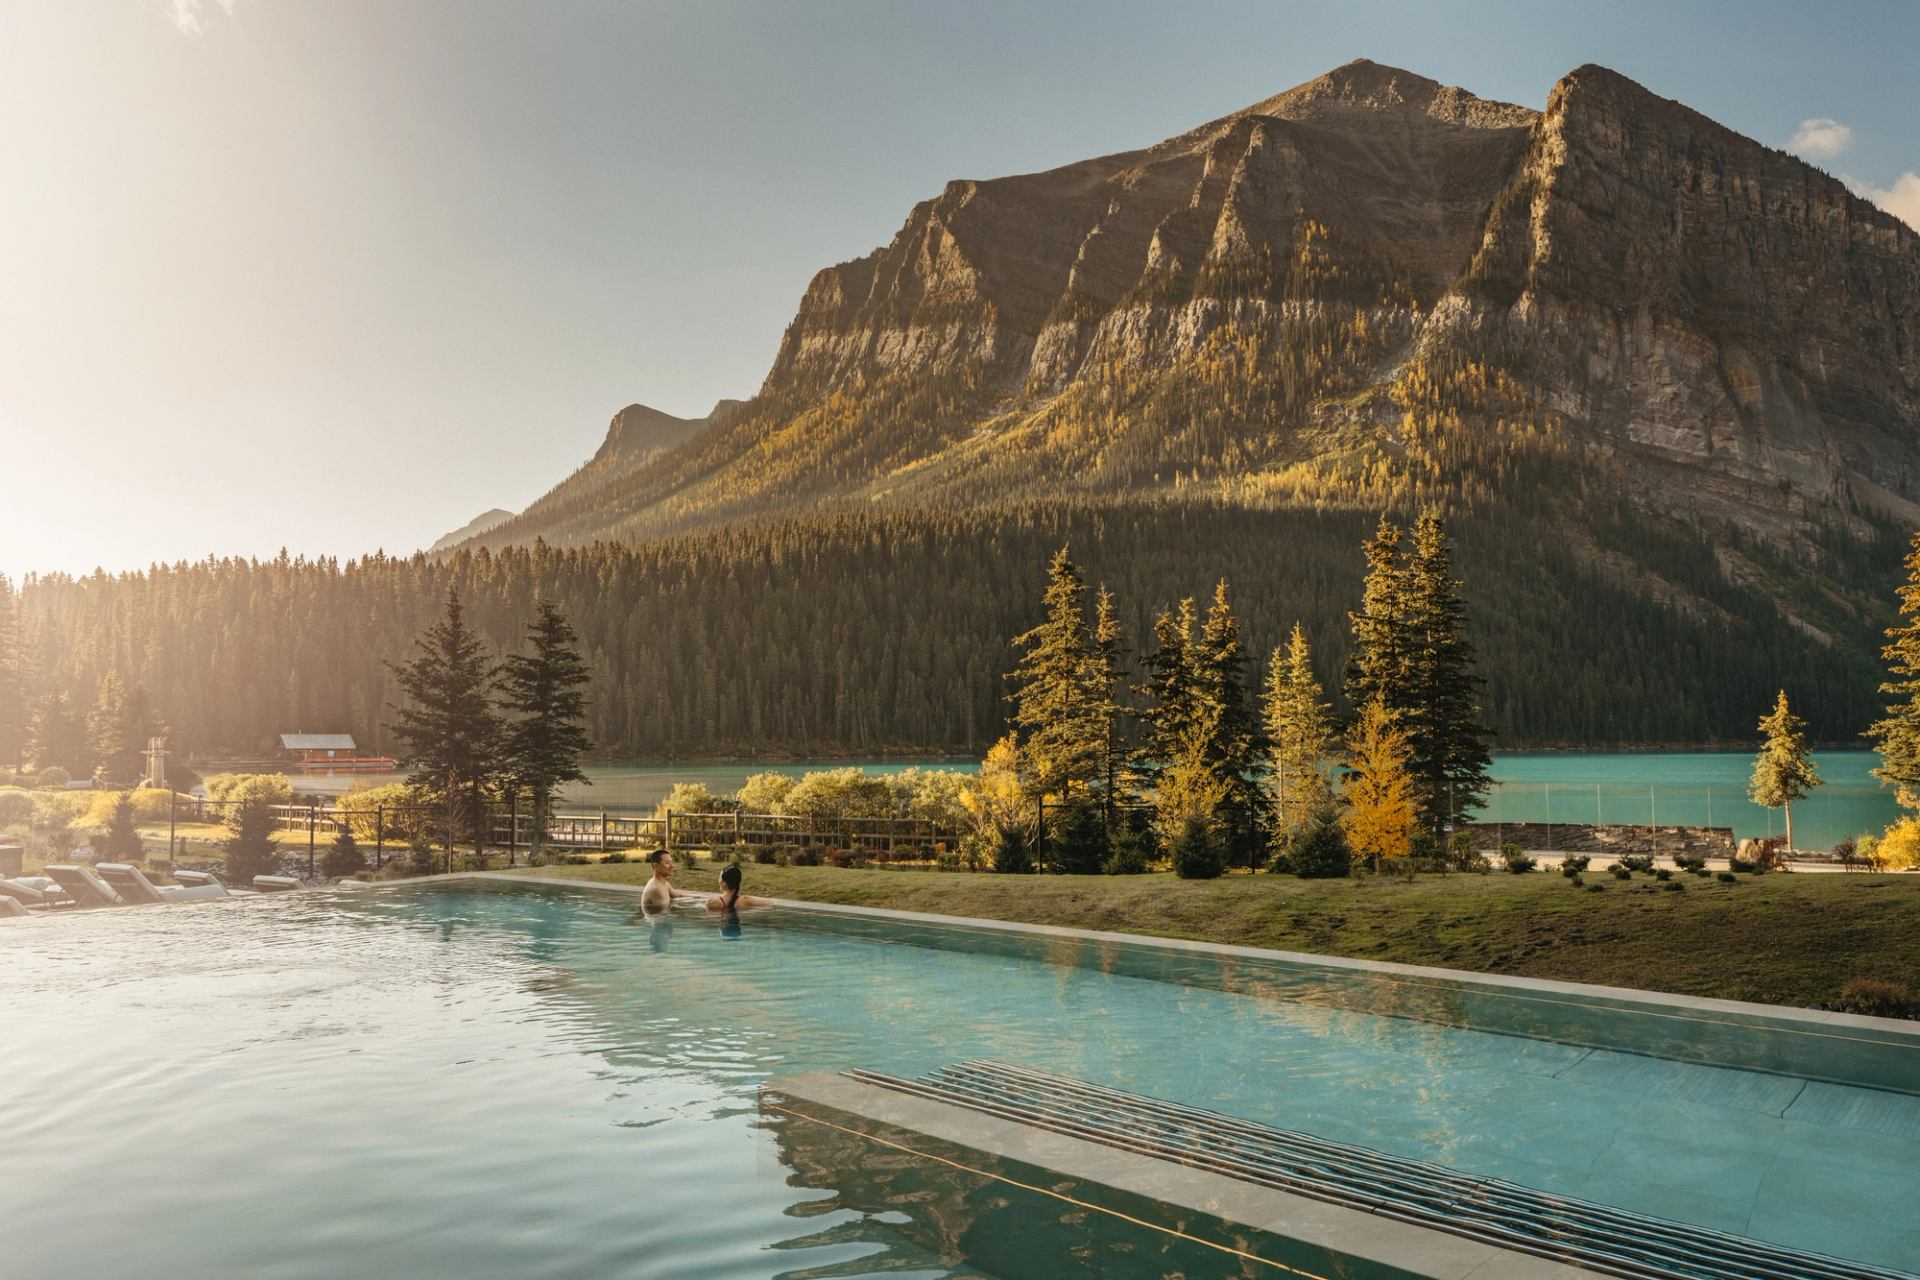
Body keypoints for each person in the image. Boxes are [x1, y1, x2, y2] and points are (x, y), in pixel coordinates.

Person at [640, 849, 705, 912]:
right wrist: (699, 907)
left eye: (671, 862)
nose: (672, 866)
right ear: (656, 865)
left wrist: (699, 898)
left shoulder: (664, 883)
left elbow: (679, 895)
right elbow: (666, 911)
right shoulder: (656, 889)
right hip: (659, 920)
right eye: (667, 863)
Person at [705, 862, 772, 913]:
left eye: (719, 877)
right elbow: (770, 902)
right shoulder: (744, 900)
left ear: (724, 883)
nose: (718, 880)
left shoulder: (711, 902)